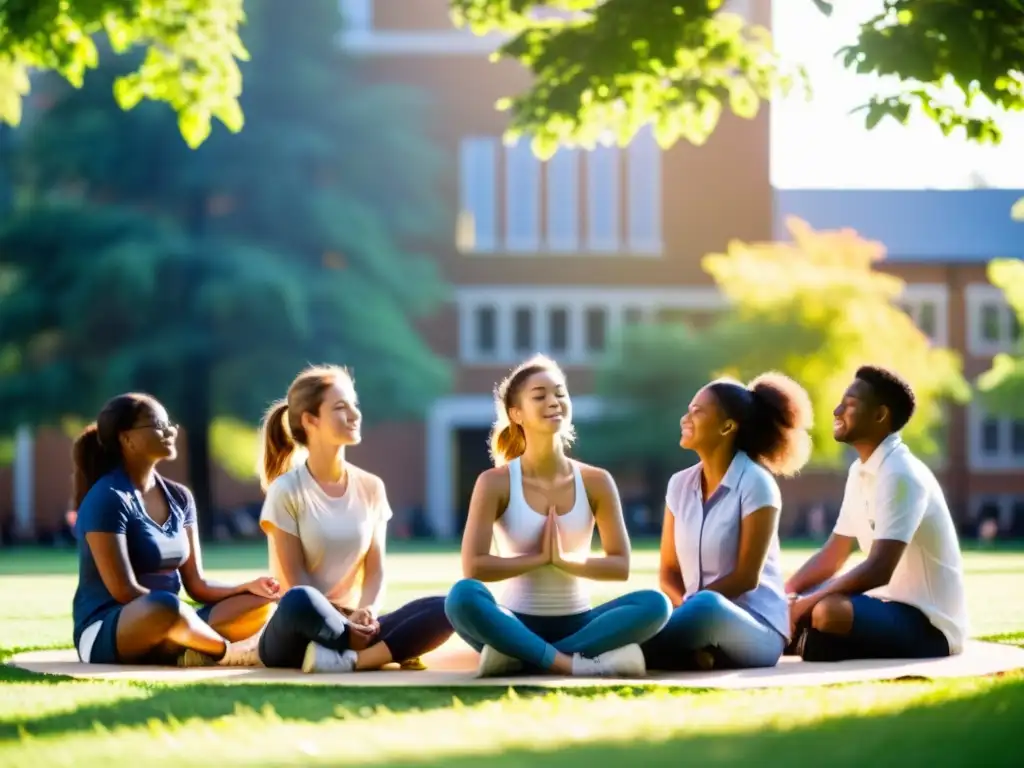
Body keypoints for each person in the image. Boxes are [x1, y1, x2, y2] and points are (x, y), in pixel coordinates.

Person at [444, 355, 672, 678]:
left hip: (579, 620)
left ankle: (520, 655)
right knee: (461, 598)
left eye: (560, 393)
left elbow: (620, 565)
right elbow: (474, 566)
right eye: (540, 396)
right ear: (516, 414)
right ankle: (570, 662)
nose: (554, 402)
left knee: (656, 605)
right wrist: (538, 558)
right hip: (513, 619)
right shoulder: (495, 482)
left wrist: (564, 561)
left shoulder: (596, 481)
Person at [255, 364, 454, 674]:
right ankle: (364, 649)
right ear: (310, 420)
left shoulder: (372, 487)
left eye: (354, 405)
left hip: (353, 627)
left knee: (448, 606)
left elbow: (375, 572)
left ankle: (351, 660)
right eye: (340, 407)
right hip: (299, 628)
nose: (354, 414)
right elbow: (294, 582)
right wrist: (344, 624)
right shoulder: (286, 491)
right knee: (299, 599)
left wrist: (367, 612)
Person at [71, 393, 279, 667]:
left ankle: (185, 647)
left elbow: (197, 585)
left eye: (170, 423)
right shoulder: (107, 498)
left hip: (176, 619)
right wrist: (183, 616)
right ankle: (228, 653)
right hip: (109, 628)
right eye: (158, 425)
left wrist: (246, 587)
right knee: (165, 607)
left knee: (260, 603)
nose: (171, 431)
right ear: (126, 438)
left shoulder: (180, 497)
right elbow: (124, 592)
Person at [785, 365, 969, 661]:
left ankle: (809, 640)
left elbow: (878, 569)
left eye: (850, 405)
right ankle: (812, 642)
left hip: (929, 625)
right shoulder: (859, 471)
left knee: (827, 611)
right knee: (797, 595)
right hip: (885, 606)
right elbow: (834, 553)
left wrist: (804, 606)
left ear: (880, 415)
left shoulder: (900, 474)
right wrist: (786, 593)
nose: (836, 411)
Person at [640, 373, 813, 672]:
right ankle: (692, 653)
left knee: (708, 607)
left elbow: (747, 577)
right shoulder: (679, 485)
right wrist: (685, 612)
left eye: (698, 412)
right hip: (693, 615)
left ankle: (614, 655)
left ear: (727, 426)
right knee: (646, 604)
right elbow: (669, 571)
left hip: (756, 629)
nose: (686, 418)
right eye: (688, 409)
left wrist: (693, 609)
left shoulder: (756, 483)